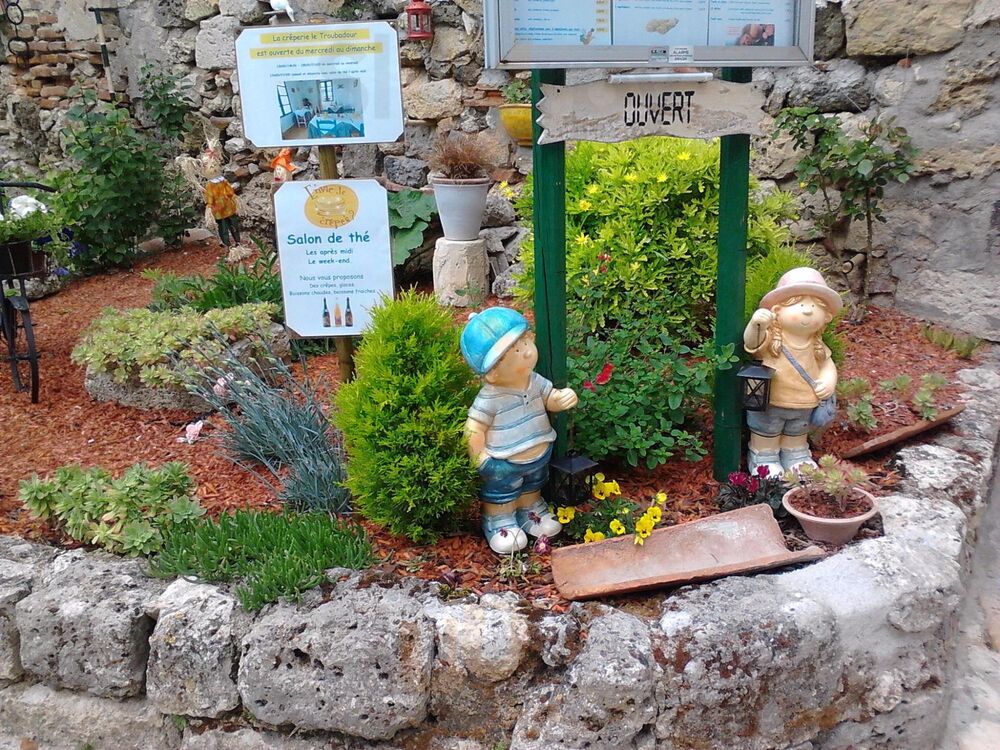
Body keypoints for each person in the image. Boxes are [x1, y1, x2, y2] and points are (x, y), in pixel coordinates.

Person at [461, 308, 578, 554]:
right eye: (515, 351)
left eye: (524, 342)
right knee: (501, 493)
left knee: (532, 486)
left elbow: (549, 397)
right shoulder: (490, 398)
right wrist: (480, 458)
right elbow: (474, 427)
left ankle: (531, 511)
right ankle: (499, 521)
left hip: (539, 453)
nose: (526, 351)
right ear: (492, 373)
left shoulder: (535, 380)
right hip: (504, 461)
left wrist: (560, 399)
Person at [743, 268, 842, 475]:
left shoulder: (816, 344)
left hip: (805, 403)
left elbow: (827, 364)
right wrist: (756, 324)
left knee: (796, 433)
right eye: (800, 304)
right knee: (766, 431)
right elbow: (751, 344)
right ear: (777, 311)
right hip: (771, 401)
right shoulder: (773, 339)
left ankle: (796, 456)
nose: (808, 311)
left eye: (815, 306)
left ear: (826, 317)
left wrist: (828, 381)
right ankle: (763, 458)